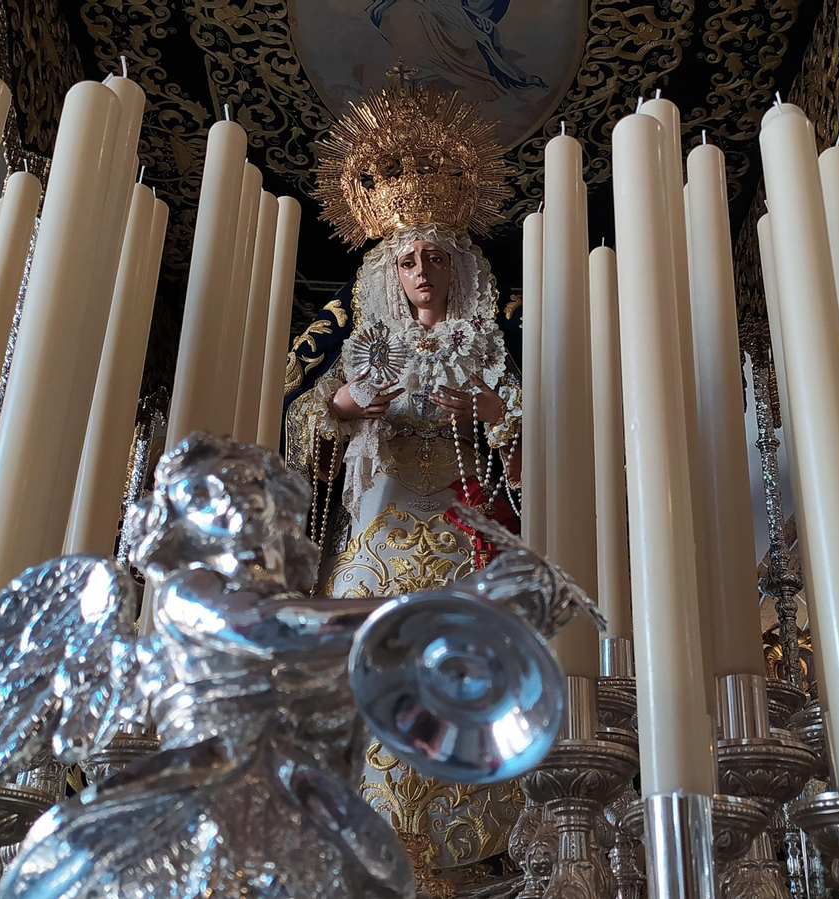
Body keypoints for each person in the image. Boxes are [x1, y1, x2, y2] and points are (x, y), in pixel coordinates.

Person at [282, 76, 525, 882]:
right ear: (392, 270)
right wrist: (347, 405)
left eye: (434, 256)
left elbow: (537, 456)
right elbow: (301, 424)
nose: (422, 268)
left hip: (461, 549)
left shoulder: (492, 349)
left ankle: (453, 859)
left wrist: (489, 407)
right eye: (408, 257)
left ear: (457, 266)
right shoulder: (357, 345)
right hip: (373, 547)